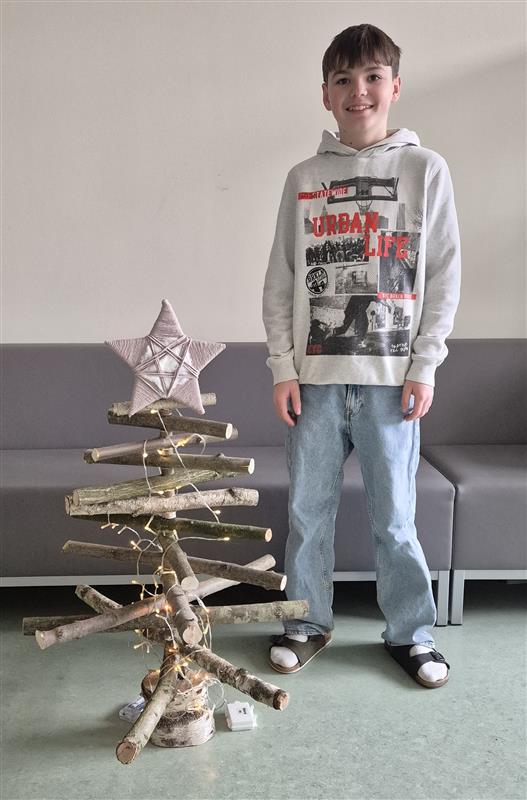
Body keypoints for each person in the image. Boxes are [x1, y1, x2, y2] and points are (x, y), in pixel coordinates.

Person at [261, 23, 461, 689]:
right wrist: (282, 366)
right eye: (343, 79)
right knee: (306, 514)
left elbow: (442, 275)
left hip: (389, 383)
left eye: (372, 77)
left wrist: (425, 364)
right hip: (315, 382)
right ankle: (304, 623)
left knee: (395, 518)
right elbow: (282, 280)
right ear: (325, 93)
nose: (359, 91)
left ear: (394, 86)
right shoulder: (303, 179)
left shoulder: (425, 170)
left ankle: (411, 634)